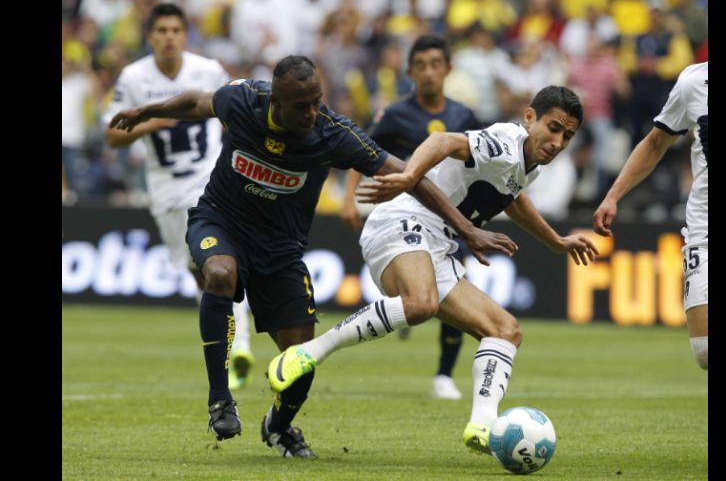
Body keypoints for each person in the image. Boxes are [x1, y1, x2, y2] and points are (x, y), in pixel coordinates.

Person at [109, 55, 517, 458]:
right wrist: (147, 111)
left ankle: (280, 428)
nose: (312, 112)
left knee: (300, 363)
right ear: (276, 103)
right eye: (301, 105)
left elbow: (414, 179)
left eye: (317, 101)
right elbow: (196, 102)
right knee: (219, 273)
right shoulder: (243, 100)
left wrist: (467, 230)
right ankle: (221, 400)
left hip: (281, 252)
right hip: (221, 222)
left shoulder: (333, 134)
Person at [267, 85, 598, 455]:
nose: (558, 141)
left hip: (435, 245)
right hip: (401, 221)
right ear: (530, 117)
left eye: (567, 135)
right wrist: (410, 177)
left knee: (504, 330)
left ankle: (484, 425)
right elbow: (442, 141)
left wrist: (555, 241)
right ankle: (308, 352)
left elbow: (515, 199)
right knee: (420, 304)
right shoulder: (505, 142)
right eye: (553, 128)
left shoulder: (527, 164)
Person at [102, 3, 257, 390]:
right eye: (161, 31)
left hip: (210, 182)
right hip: (166, 190)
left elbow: (233, 113)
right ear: (150, 36)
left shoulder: (207, 70)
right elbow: (112, 134)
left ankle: (239, 344)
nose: (169, 37)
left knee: (221, 265)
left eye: (175, 30)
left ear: (184, 35)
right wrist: (154, 119)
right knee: (199, 273)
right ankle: (227, 341)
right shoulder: (134, 77)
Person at [341, 35, 481, 400]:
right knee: (421, 296)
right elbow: (362, 150)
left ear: (448, 69)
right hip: (403, 215)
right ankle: (405, 299)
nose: (430, 72)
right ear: (410, 72)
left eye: (436, 64)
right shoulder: (396, 114)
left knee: (456, 286)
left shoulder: (463, 115)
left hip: (448, 217)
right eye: (421, 65)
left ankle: (444, 375)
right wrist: (347, 198)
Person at [593, 62, 708, 370]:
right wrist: (614, 194)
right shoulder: (693, 83)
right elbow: (656, 142)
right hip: (704, 229)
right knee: (704, 351)